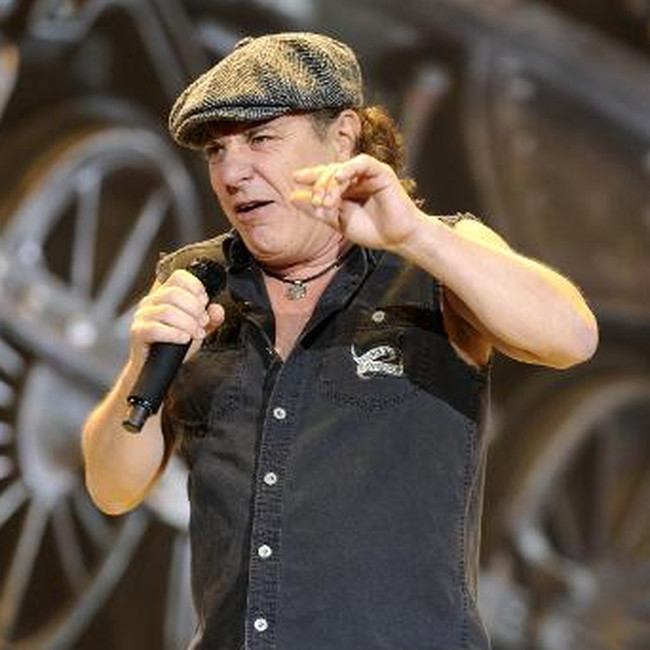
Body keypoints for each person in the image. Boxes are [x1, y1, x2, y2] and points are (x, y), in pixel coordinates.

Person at [82, 32, 598, 650]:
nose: (233, 172)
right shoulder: (198, 281)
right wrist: (140, 364)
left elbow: (571, 337)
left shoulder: (432, 259)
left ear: (343, 137)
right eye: (217, 150)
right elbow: (111, 488)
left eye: (260, 139)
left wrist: (416, 236)